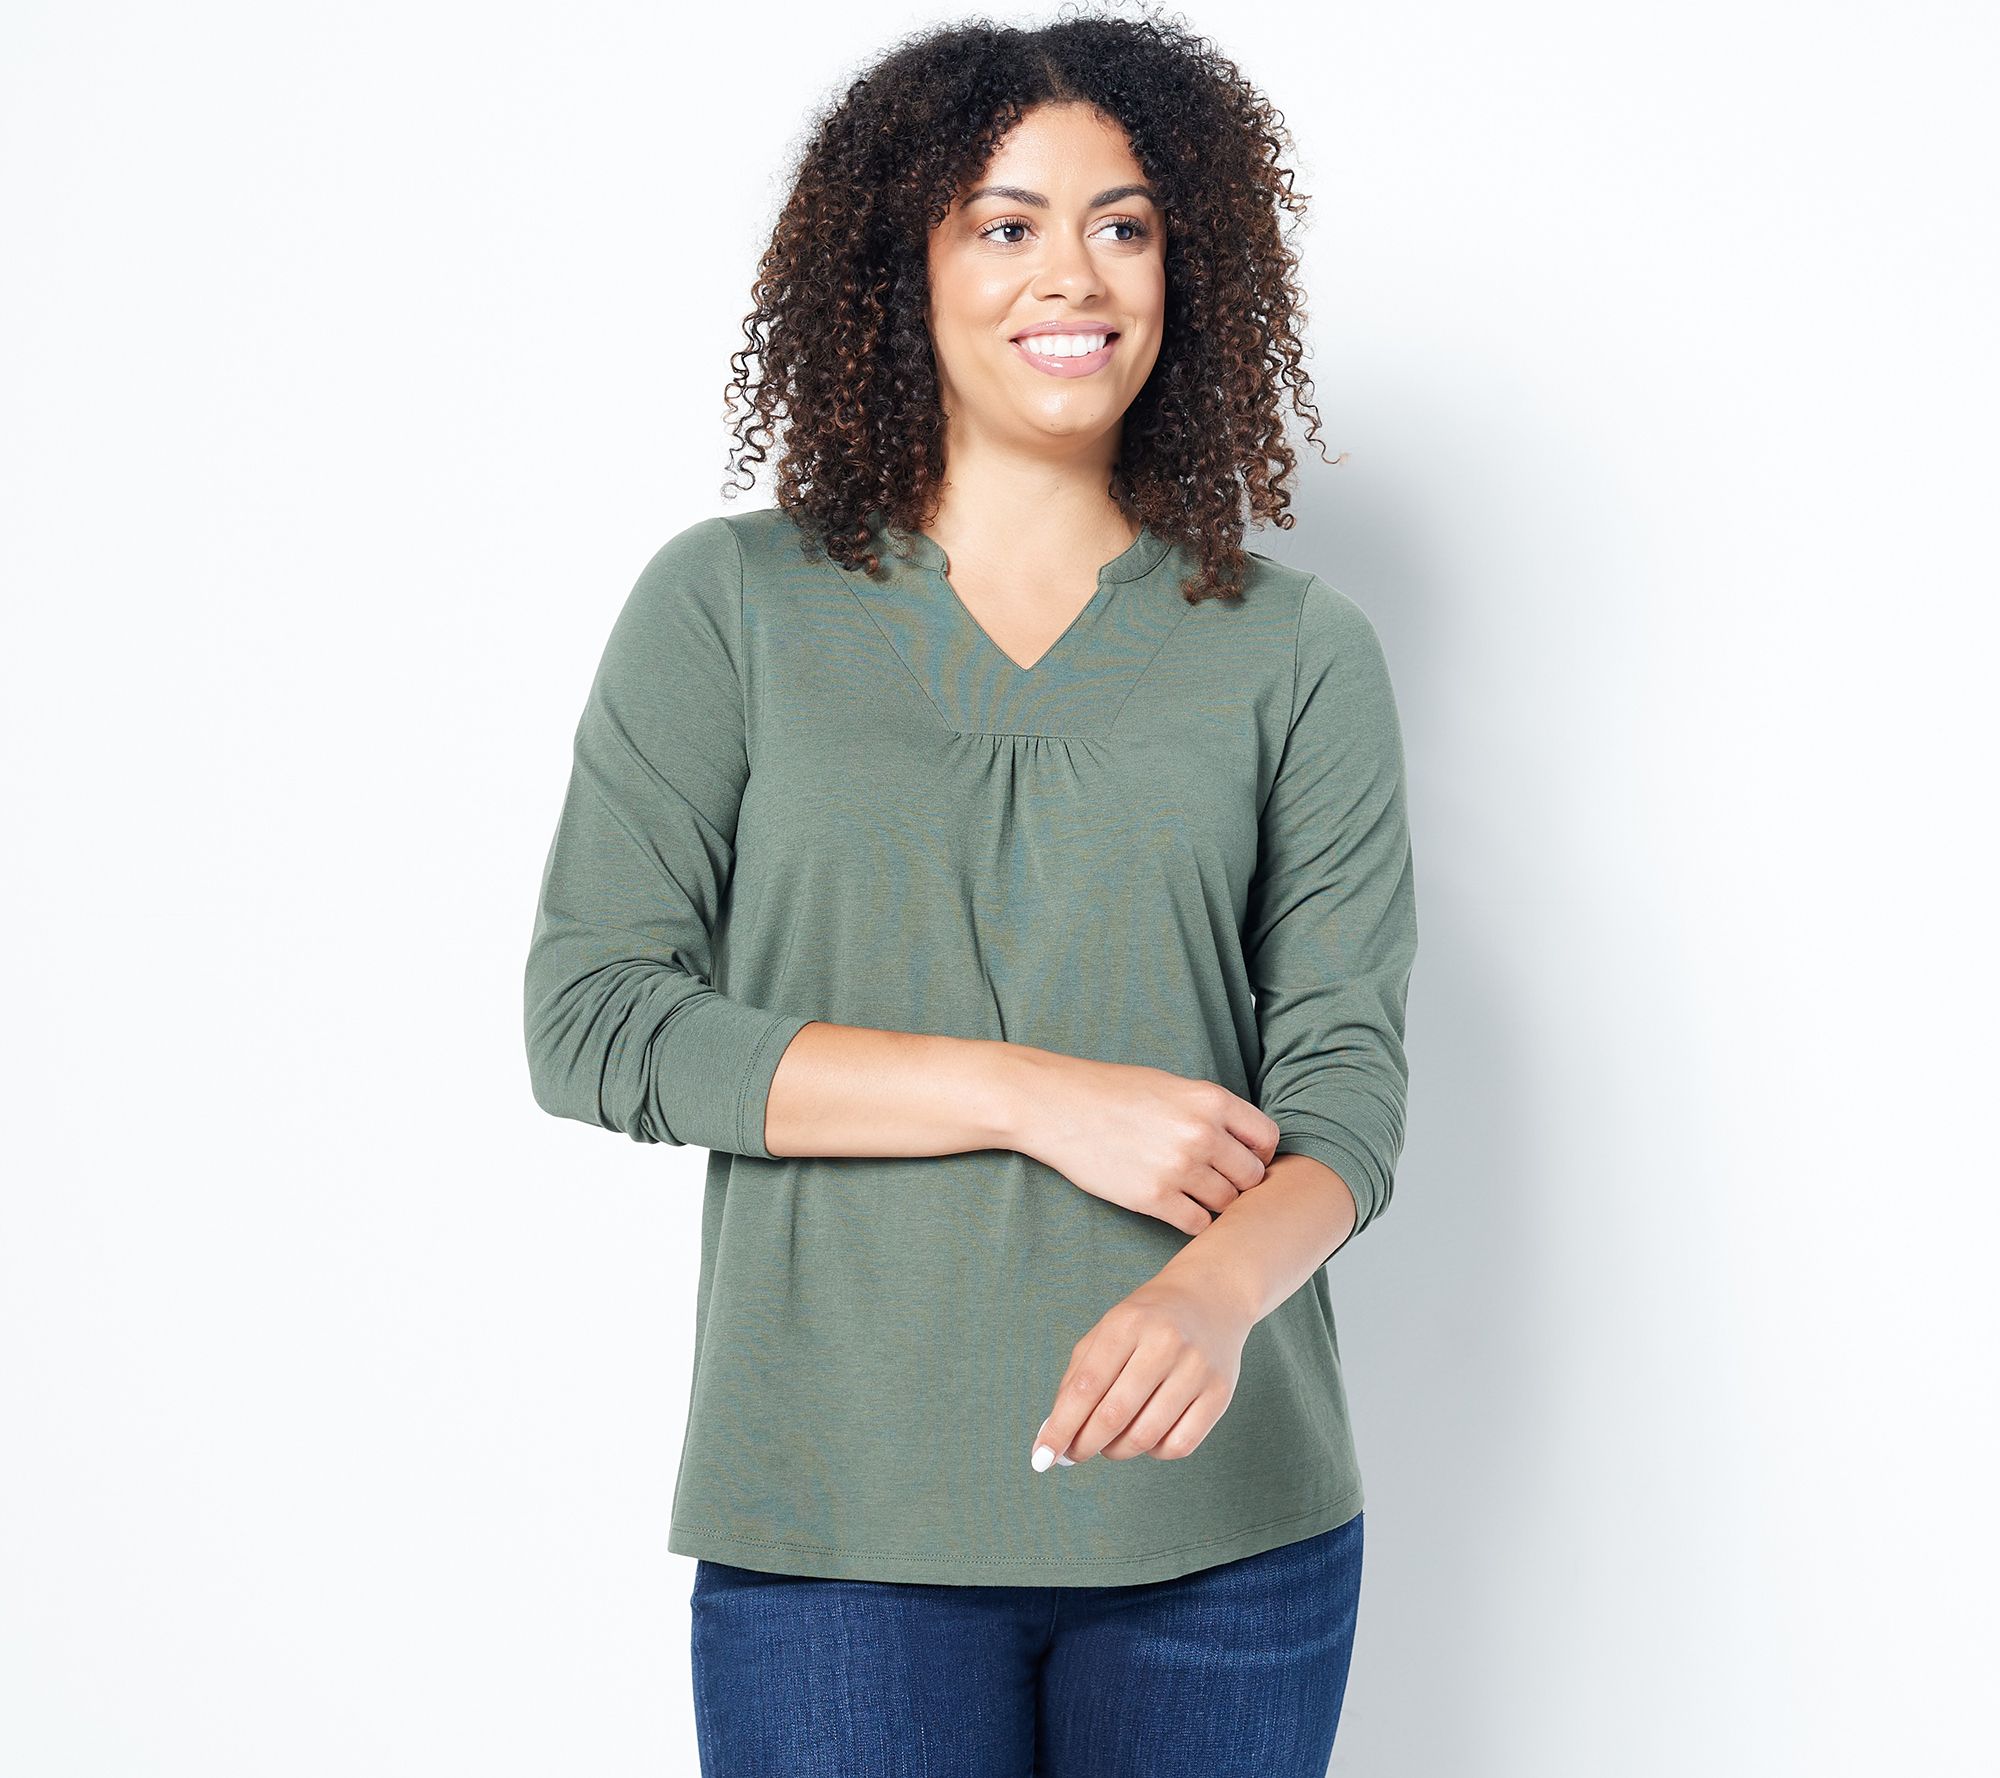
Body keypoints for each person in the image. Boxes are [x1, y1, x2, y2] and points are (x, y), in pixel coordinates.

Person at [523, 14, 1419, 1774]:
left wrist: (1213, 1293)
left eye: (1124, 223)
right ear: (900, 266)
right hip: (834, 1523)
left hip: (1228, 1534)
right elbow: (595, 1018)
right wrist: (1032, 1095)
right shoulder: (730, 606)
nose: (1072, 273)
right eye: (1006, 223)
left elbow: (1346, 1096)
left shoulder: (1299, 650)